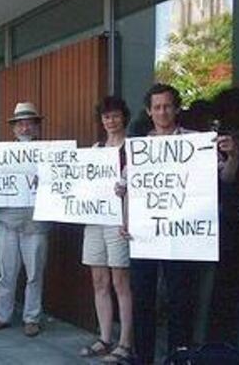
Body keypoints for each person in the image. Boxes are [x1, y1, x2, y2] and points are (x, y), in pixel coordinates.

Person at [125, 83, 239, 364]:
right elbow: (129, 188)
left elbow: (226, 178)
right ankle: (144, 358)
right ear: (149, 112)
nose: (162, 111)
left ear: (176, 109)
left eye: (167, 106)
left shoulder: (196, 142)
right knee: (142, 300)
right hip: (146, 235)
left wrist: (233, 155)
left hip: (183, 238)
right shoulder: (140, 147)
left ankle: (178, 358)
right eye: (157, 107)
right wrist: (126, 219)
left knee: (180, 302)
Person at [0, 102, 51, 337]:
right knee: (6, 273)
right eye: (20, 124)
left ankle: (32, 317)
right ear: (14, 129)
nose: (24, 128)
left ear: (36, 127)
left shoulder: (49, 155)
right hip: (8, 222)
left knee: (34, 274)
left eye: (29, 123)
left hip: (36, 223)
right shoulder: (0, 156)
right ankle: (1, 315)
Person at [77, 97, 133, 363]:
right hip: (94, 220)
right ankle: (105, 337)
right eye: (106, 117)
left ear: (124, 117)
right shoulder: (96, 149)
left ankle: (125, 342)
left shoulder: (134, 149)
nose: (111, 121)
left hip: (120, 220)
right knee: (99, 280)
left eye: (115, 116)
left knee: (120, 282)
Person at [206, 87, 239, 345]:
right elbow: (226, 180)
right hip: (231, 225)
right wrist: (232, 157)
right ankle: (224, 346)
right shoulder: (219, 140)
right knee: (229, 292)